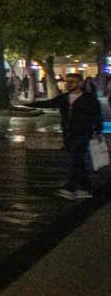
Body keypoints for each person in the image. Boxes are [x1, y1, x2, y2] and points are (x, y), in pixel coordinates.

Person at [30, 71, 102, 200]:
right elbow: (48, 103)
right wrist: (25, 106)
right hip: (68, 134)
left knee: (76, 160)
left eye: (72, 82)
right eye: (67, 82)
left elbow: (97, 115)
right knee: (77, 161)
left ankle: (74, 187)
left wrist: (98, 130)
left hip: (82, 133)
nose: (68, 84)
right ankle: (82, 188)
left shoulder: (89, 98)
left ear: (80, 83)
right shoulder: (64, 97)